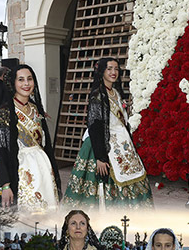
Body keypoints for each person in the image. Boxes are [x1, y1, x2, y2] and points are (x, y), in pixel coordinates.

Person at [64, 58, 153, 207]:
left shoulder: (116, 93)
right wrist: (100, 156)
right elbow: (95, 125)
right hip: (103, 144)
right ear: (102, 72)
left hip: (122, 142)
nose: (113, 72)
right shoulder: (98, 95)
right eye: (109, 69)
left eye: (116, 69)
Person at [0, 62, 61, 213]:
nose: (26, 83)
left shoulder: (35, 108)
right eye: (21, 79)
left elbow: (46, 144)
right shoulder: (5, 112)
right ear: (13, 83)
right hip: (19, 169)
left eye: (29, 79)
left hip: (42, 167)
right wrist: (5, 184)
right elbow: (2, 151)